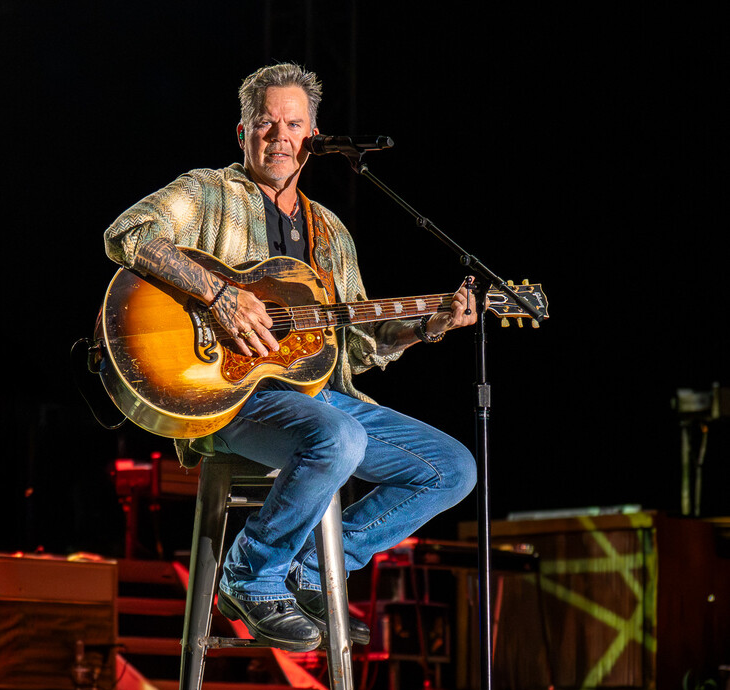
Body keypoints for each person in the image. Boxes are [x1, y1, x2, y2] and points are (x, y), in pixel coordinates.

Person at [104, 62, 478, 652]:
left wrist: (427, 327)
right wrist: (219, 295)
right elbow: (127, 231)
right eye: (266, 123)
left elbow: (357, 344)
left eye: (294, 124)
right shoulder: (207, 193)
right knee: (338, 437)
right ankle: (250, 576)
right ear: (243, 132)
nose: (280, 136)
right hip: (225, 396)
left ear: (313, 136)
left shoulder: (329, 232)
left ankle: (313, 570)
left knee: (452, 469)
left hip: (316, 396)